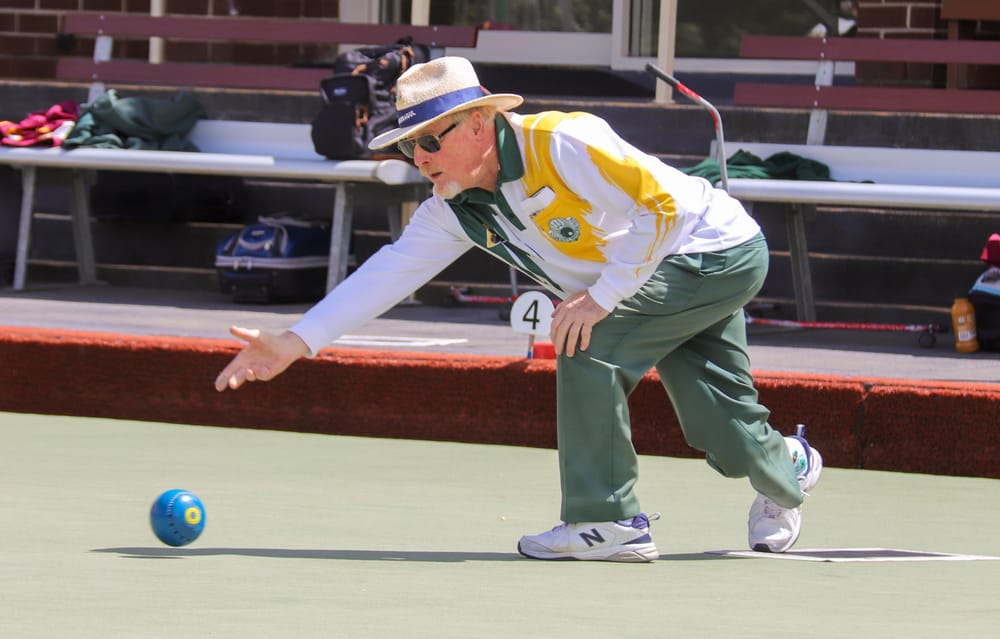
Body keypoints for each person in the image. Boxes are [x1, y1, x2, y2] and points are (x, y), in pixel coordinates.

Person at [214, 56, 823, 562]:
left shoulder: (563, 142)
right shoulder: (451, 205)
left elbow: (664, 208)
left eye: (431, 139)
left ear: (480, 124)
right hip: (651, 278)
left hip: (713, 252)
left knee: (587, 341)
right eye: (408, 148)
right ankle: (789, 471)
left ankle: (607, 524)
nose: (421, 158)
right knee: (720, 428)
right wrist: (296, 340)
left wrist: (602, 297)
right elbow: (389, 273)